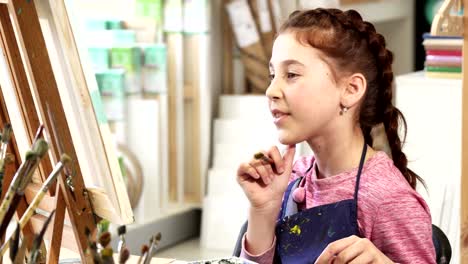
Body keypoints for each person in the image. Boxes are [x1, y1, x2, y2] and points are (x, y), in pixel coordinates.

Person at [236, 8, 436, 264]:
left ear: (351, 90)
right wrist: (262, 211)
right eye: (273, 75)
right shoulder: (292, 179)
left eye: (292, 75)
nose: (271, 90)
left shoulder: (388, 198)